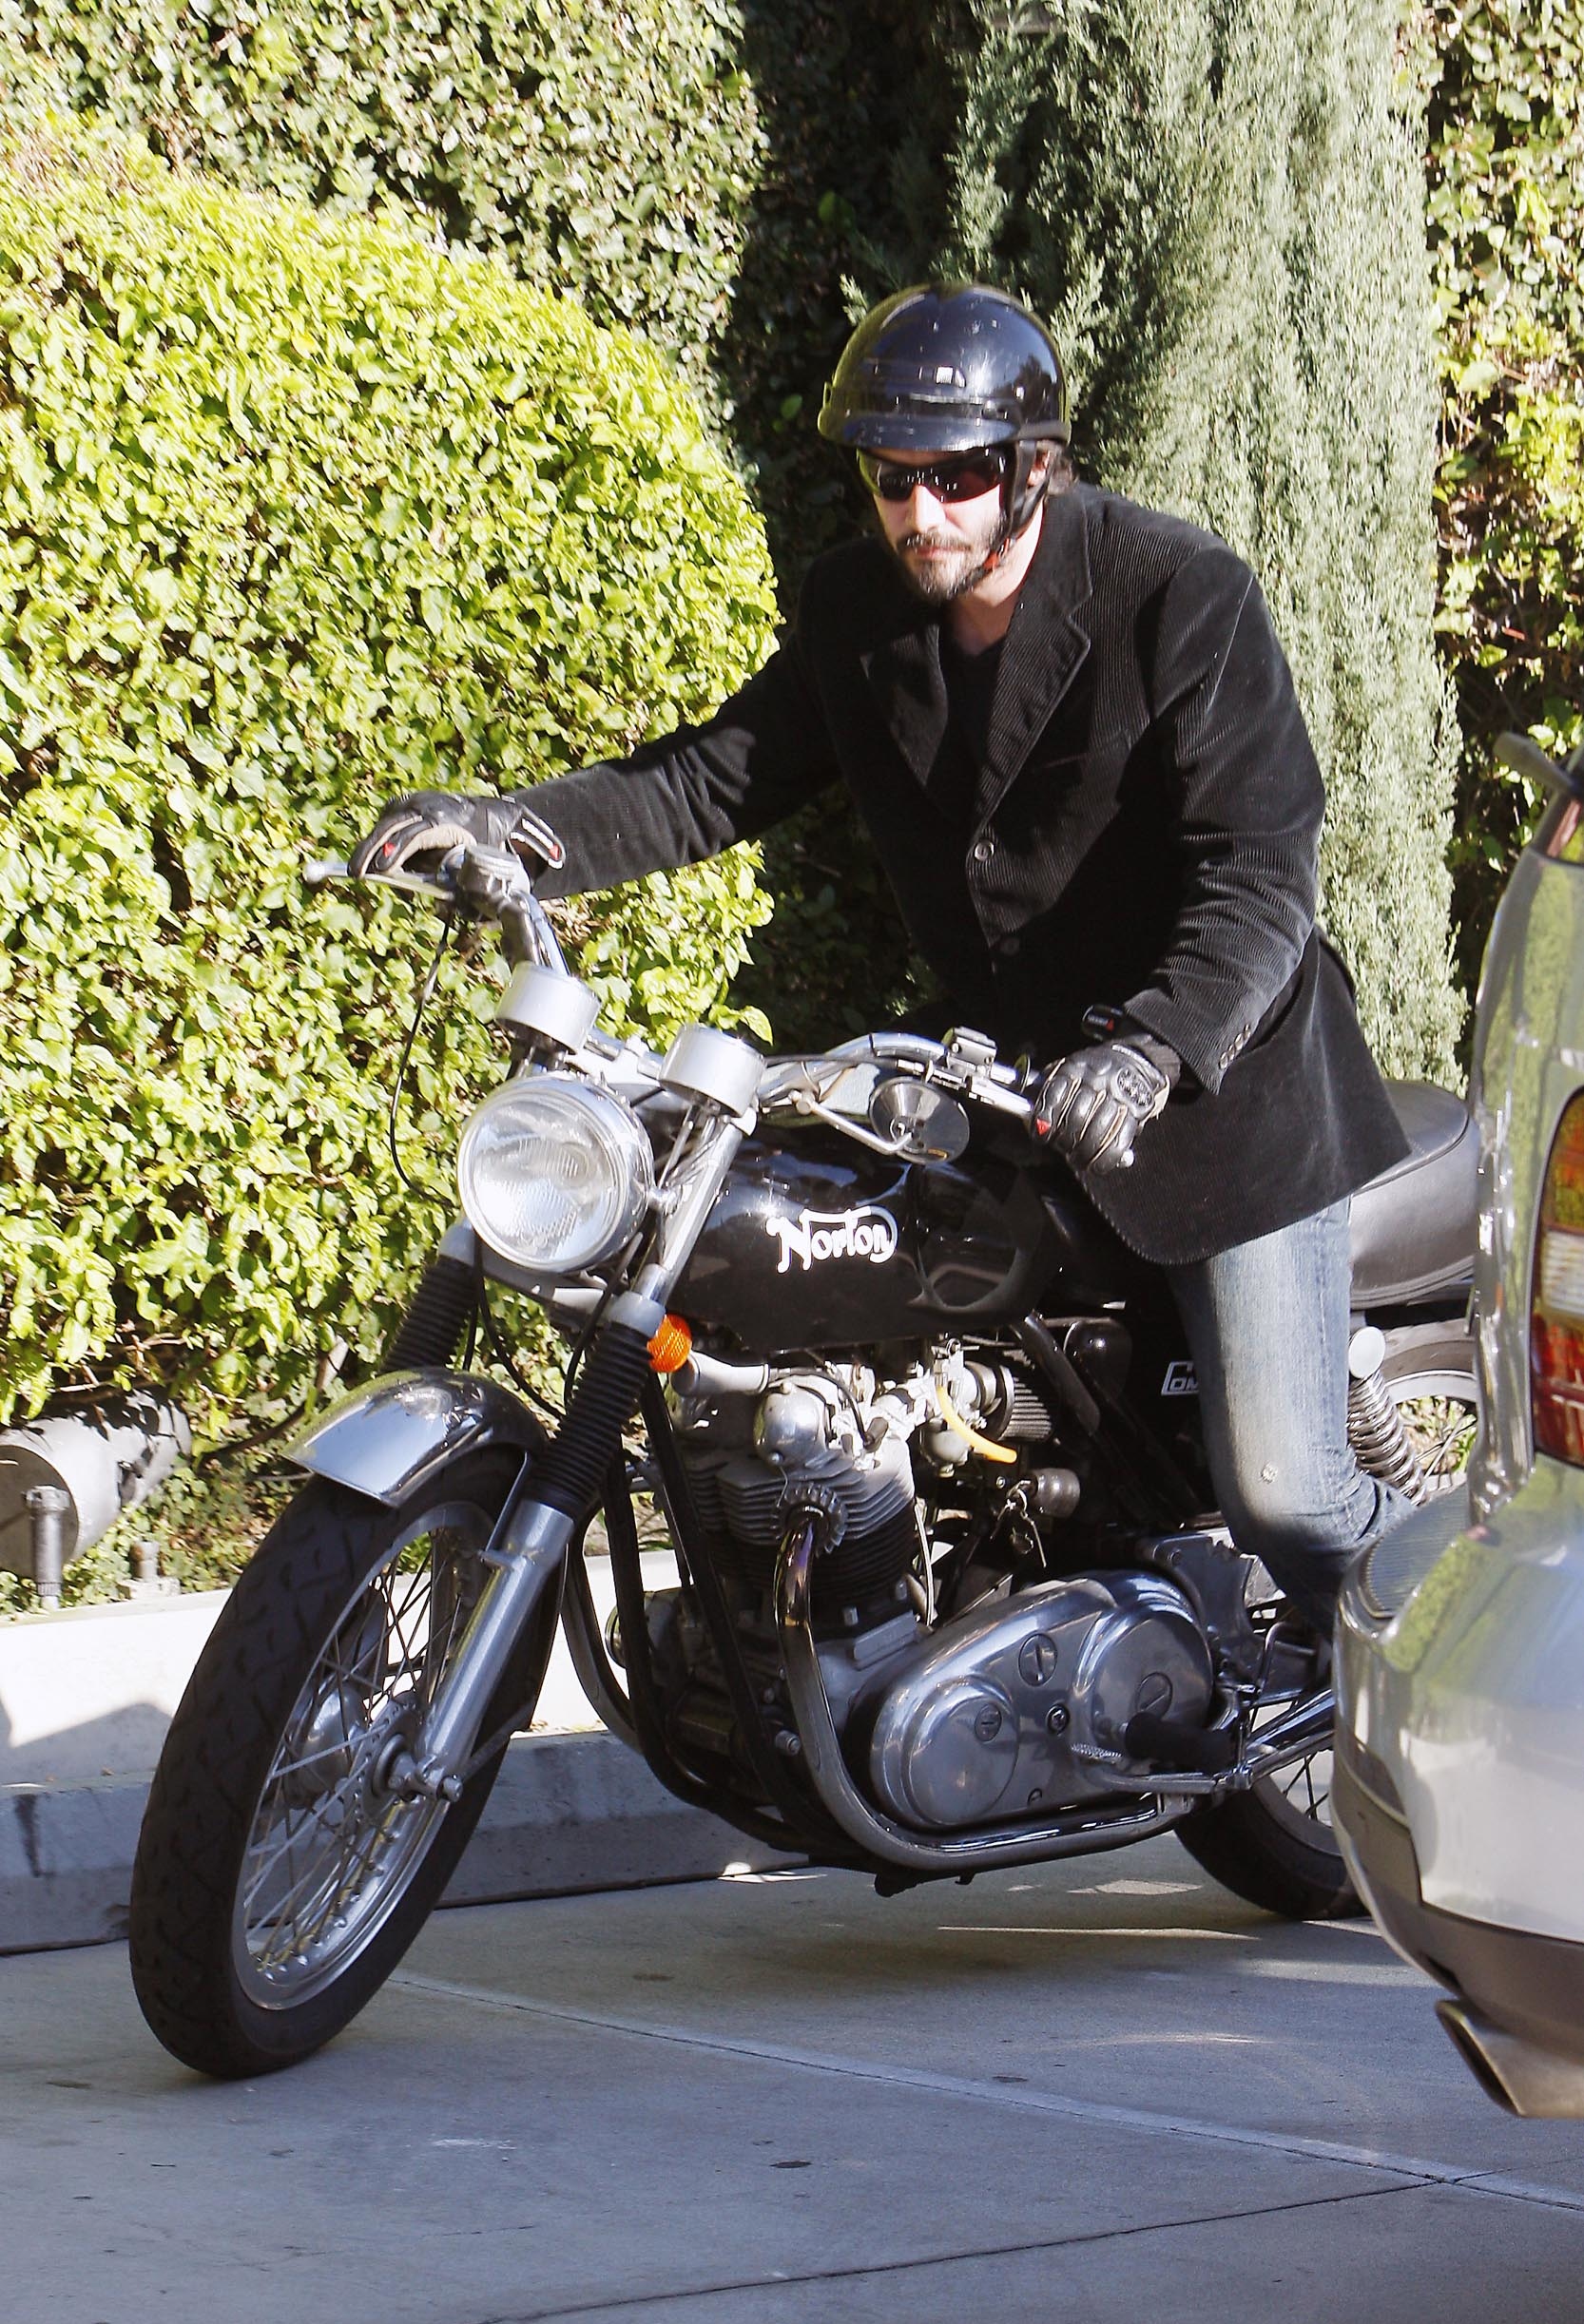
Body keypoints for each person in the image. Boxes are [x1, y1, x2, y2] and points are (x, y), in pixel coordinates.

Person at [354, 281, 1411, 1627]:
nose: (921, 512)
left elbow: (1259, 873)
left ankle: (1460, 1630)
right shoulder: (861, 612)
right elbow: (708, 782)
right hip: (1004, 1084)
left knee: (1285, 1494)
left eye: (958, 475)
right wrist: (514, 832)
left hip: (1220, 1107)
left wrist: (1151, 1048)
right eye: (890, 477)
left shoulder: (1175, 594)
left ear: (1033, 468)